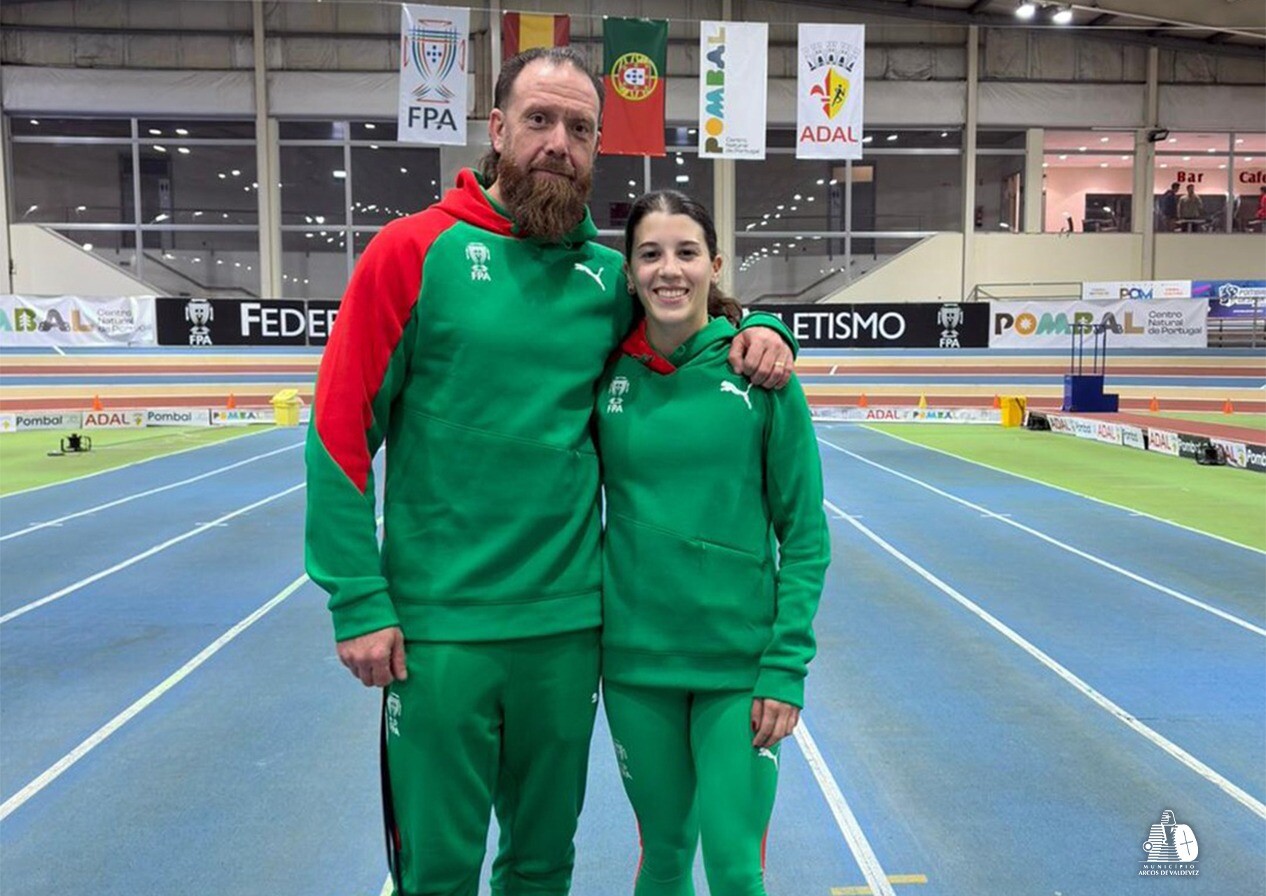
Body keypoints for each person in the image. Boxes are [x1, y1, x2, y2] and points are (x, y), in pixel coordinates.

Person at [304, 48, 796, 896]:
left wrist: (763, 329)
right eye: (539, 120)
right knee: (437, 872)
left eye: (580, 128)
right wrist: (357, 596)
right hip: (440, 630)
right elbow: (339, 431)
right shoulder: (410, 252)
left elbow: (687, 321)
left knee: (541, 866)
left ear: (597, 147)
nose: (558, 143)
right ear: (498, 129)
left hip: (568, 634)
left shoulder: (607, 279)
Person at [596, 190, 831, 895]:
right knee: (664, 857)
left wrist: (786, 665)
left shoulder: (762, 378)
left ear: (715, 265)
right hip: (636, 666)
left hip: (740, 669)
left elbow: (805, 534)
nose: (669, 270)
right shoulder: (603, 373)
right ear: (629, 272)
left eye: (686, 252)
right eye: (650, 254)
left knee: (734, 868)